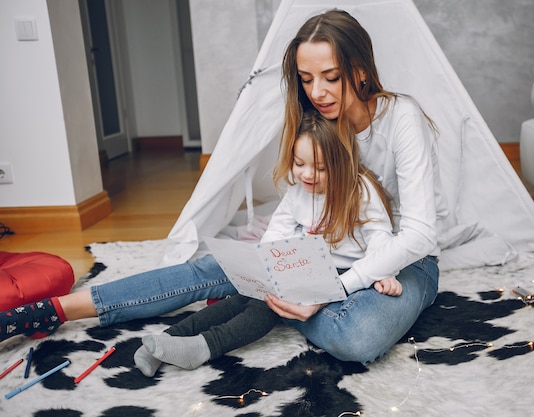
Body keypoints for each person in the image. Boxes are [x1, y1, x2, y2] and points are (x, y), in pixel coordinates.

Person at [0, 9, 444, 365]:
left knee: (358, 336)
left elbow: (420, 234)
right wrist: (287, 271)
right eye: (307, 80)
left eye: (330, 76)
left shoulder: (400, 117)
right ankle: (55, 309)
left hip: (398, 264)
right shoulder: (316, 127)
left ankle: (262, 307)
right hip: (321, 255)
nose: (318, 92)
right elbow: (297, 210)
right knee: (216, 268)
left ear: (361, 70)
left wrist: (333, 290)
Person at [134, 111, 399, 376]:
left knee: (266, 306)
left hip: (344, 275)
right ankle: (167, 339)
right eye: (299, 163)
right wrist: (269, 265)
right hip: (305, 268)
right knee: (244, 297)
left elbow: (380, 238)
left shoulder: (360, 191)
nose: (308, 174)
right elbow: (276, 233)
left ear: (342, 162)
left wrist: (385, 273)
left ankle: (204, 347)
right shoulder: (298, 192)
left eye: (320, 168)